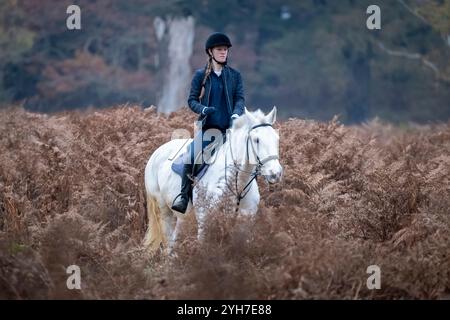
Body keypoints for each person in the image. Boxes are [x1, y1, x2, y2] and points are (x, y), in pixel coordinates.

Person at [171, 32, 245, 214]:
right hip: (209, 130)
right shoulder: (200, 76)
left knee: (251, 158)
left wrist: (236, 114)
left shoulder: (235, 76)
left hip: (231, 131)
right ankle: (183, 197)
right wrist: (203, 109)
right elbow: (192, 100)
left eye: (225, 50)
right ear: (210, 52)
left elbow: (240, 99)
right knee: (190, 158)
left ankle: (248, 199)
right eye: (219, 49)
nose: (223, 53)